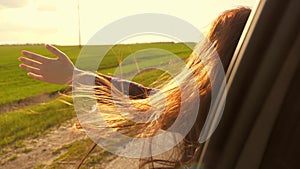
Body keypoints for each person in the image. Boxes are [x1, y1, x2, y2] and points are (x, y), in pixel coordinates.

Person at [19, 7, 251, 169]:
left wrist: (77, 76)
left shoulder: (204, 104)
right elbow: (149, 96)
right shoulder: (259, 100)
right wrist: (77, 75)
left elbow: (144, 97)